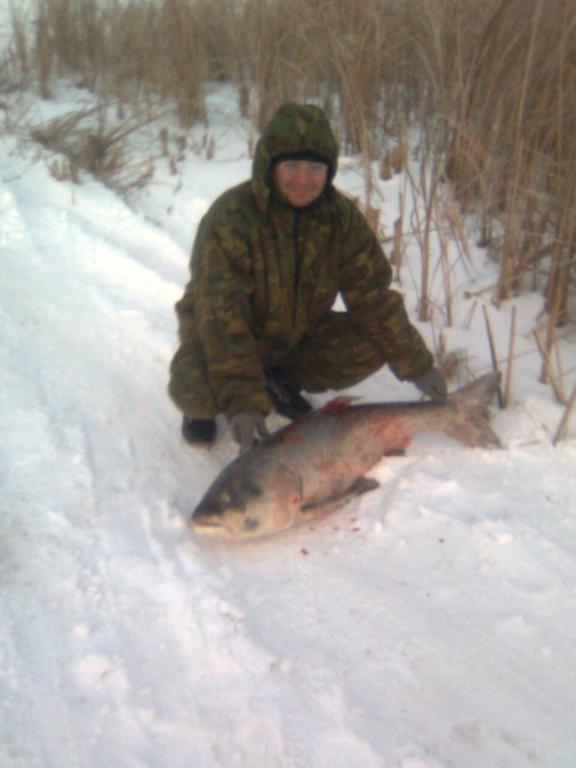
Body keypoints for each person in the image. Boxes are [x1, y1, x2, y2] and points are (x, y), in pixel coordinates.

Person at [169, 102, 446, 452]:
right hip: (222, 331)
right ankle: (213, 404)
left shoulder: (341, 219)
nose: (303, 179)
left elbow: (374, 300)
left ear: (329, 170)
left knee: (373, 340)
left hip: (294, 334)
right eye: (292, 166)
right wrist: (243, 401)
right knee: (193, 389)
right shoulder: (231, 217)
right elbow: (221, 317)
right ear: (270, 166)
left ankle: (278, 381)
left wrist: (417, 365)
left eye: (315, 167)